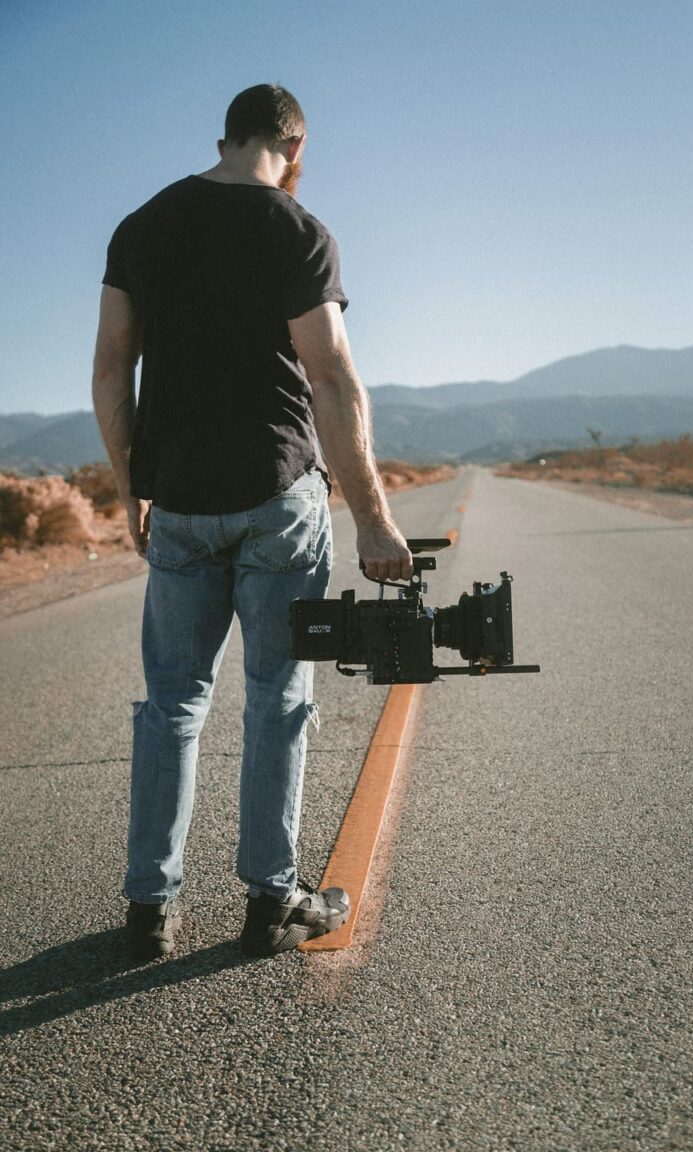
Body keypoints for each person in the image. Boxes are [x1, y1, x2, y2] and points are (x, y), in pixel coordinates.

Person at [92, 84, 413, 961]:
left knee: (171, 706)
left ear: (226, 137)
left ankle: (149, 909)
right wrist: (375, 522)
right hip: (278, 498)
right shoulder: (297, 232)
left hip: (181, 502)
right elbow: (333, 378)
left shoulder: (143, 225)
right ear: (294, 144)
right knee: (278, 699)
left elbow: (112, 369)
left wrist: (132, 490)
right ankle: (272, 903)